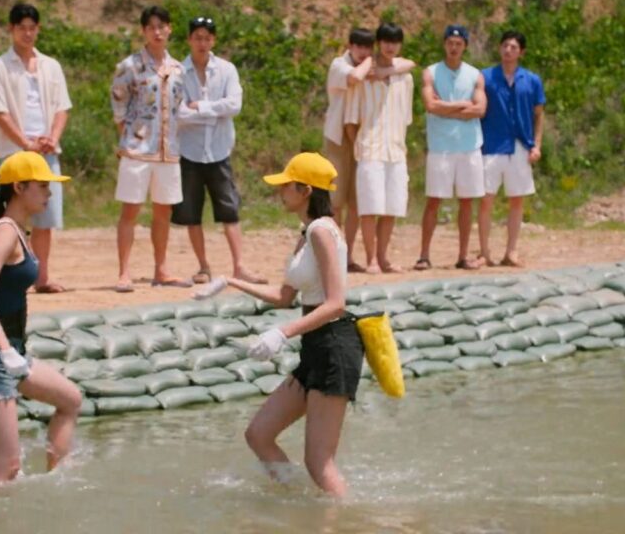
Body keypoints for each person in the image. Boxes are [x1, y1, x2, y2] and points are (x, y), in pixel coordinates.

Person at [193, 152, 363, 498]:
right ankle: (298, 502)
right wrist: (231, 281)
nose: (280, 192)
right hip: (316, 346)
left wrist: (281, 332)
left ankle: (343, 522)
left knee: (319, 463)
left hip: (335, 345)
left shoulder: (322, 231)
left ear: (304, 189)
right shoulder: (307, 232)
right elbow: (286, 295)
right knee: (259, 434)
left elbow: (336, 302)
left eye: (286, 186)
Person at [0, 151, 82, 486]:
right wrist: (4, 350)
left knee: (70, 400)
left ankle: (58, 483)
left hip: (11, 352)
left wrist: (11, 351)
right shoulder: (5, 232)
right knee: (6, 469)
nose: (49, 193)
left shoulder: (17, 230)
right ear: (19, 187)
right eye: (42, 186)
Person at [0, 2, 73, 294]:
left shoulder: (51, 66)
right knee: (11, 217)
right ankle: (9, 276)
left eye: (32, 28)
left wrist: (52, 138)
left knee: (45, 215)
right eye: (21, 28)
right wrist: (26, 144)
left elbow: (62, 108)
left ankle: (41, 277)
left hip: (46, 151)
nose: (27, 33)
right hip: (14, 152)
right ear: (11, 29)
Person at [172, 16, 266, 286]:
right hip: (189, 151)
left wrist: (199, 108)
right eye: (197, 37)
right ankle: (203, 266)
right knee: (191, 213)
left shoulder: (227, 70)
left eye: (207, 37)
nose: (202, 43)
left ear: (213, 40)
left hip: (219, 150)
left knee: (229, 209)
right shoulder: (178, 72)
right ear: (189, 39)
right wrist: (214, 111)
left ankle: (239, 266)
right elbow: (177, 113)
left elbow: (234, 105)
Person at [322, 28, 415, 273]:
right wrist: (360, 145)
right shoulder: (343, 67)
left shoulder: (402, 77)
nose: (364, 52)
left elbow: (405, 114)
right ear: (351, 46)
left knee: (366, 204)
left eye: (395, 42)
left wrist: (386, 69)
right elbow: (352, 106)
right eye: (360, 47)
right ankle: (336, 257)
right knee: (338, 202)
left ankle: (356, 257)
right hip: (342, 140)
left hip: (388, 146)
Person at [110, 5, 189, 293]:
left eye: (162, 26)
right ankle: (124, 272)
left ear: (169, 29)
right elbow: (118, 102)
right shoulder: (130, 65)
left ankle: (161, 269)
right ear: (144, 31)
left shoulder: (179, 69)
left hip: (168, 150)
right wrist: (129, 135)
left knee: (163, 212)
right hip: (137, 149)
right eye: (151, 27)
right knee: (130, 210)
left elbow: (181, 105)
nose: (157, 32)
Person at [415, 25, 487, 271]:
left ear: (464, 45)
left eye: (458, 43)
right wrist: (460, 106)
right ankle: (424, 255)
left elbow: (479, 109)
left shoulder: (475, 74)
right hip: (441, 146)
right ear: (444, 44)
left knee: (467, 201)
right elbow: (430, 106)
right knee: (434, 200)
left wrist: (445, 106)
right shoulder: (431, 72)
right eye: (450, 43)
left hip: (468, 146)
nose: (454, 47)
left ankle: (463, 255)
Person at [478, 30, 546, 267]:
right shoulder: (485, 77)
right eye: (505, 45)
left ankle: (512, 251)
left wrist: (537, 144)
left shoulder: (532, 80)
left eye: (514, 47)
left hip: (520, 145)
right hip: (492, 144)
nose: (508, 50)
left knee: (517, 200)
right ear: (499, 48)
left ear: (521, 52)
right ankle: (484, 252)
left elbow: (539, 115)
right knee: (486, 199)